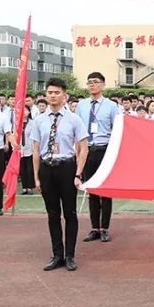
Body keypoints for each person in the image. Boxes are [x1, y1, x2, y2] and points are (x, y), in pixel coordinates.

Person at [33, 77, 89, 271]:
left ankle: (70, 255)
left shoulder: (74, 119)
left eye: (57, 92)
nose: (53, 96)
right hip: (47, 168)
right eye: (50, 92)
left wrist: (78, 174)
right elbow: (35, 150)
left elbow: (84, 148)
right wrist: (36, 176)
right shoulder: (39, 120)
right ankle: (57, 254)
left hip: (67, 168)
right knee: (52, 214)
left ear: (64, 96)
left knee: (70, 213)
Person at [81, 72, 118, 243]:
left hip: (105, 150)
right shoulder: (82, 105)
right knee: (92, 190)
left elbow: (117, 130)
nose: (92, 85)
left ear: (103, 84)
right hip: (87, 150)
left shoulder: (111, 106)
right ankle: (94, 228)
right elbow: (78, 131)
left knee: (106, 190)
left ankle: (105, 228)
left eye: (95, 82)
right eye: (89, 82)